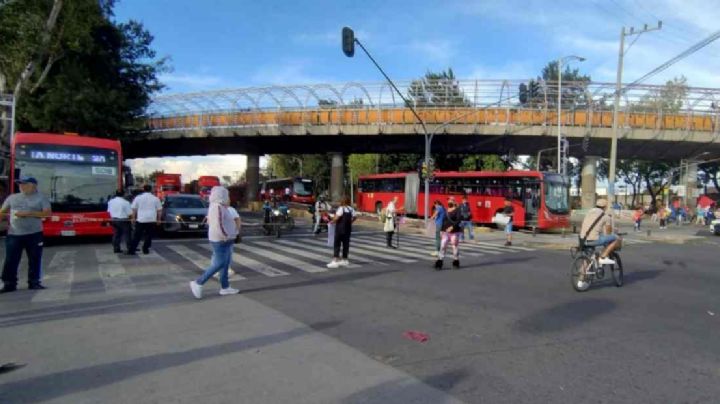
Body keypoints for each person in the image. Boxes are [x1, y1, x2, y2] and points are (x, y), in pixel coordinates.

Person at [0, 177, 51, 293]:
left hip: (34, 234)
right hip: (14, 234)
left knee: (35, 259)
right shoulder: (12, 198)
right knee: (11, 260)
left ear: (33, 186)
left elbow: (48, 214)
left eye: (24, 184)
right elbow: (2, 213)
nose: (21, 186)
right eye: (20, 184)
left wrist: (30, 213)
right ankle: (9, 284)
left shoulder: (41, 198)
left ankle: (34, 282)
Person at [190, 186, 240, 299]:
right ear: (221, 196)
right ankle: (198, 282)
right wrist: (226, 235)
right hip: (221, 239)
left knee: (225, 264)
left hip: (225, 239)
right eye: (226, 195)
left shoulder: (220, 206)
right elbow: (219, 224)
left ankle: (225, 287)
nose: (228, 197)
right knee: (220, 263)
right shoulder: (217, 207)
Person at [578, 199, 622, 288]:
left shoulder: (589, 212)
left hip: (582, 239)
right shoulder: (606, 216)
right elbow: (609, 232)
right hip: (594, 239)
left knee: (587, 259)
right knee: (616, 238)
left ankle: (580, 281)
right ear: (605, 207)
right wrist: (611, 234)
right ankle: (603, 256)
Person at [128, 184, 162, 255]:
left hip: (141, 219)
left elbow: (134, 209)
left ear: (143, 189)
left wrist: (133, 218)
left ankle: (132, 250)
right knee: (149, 235)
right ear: (151, 190)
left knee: (137, 235)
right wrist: (159, 219)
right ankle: (145, 249)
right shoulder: (155, 198)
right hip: (151, 219)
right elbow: (159, 210)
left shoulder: (138, 198)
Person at [327, 196, 357, 268]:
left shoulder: (341, 208)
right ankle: (345, 260)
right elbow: (355, 217)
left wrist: (332, 221)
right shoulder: (351, 209)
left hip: (340, 229)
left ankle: (335, 260)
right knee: (345, 244)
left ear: (342, 202)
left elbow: (336, 218)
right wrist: (350, 222)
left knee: (337, 244)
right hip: (347, 229)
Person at [435, 199, 462, 270]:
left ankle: (456, 261)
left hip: (454, 232)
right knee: (443, 245)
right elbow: (444, 221)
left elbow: (459, 220)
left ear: (454, 202)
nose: (449, 202)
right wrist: (441, 230)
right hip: (445, 232)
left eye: (450, 201)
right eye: (448, 201)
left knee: (454, 246)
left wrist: (452, 227)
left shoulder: (457, 210)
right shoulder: (446, 210)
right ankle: (439, 262)